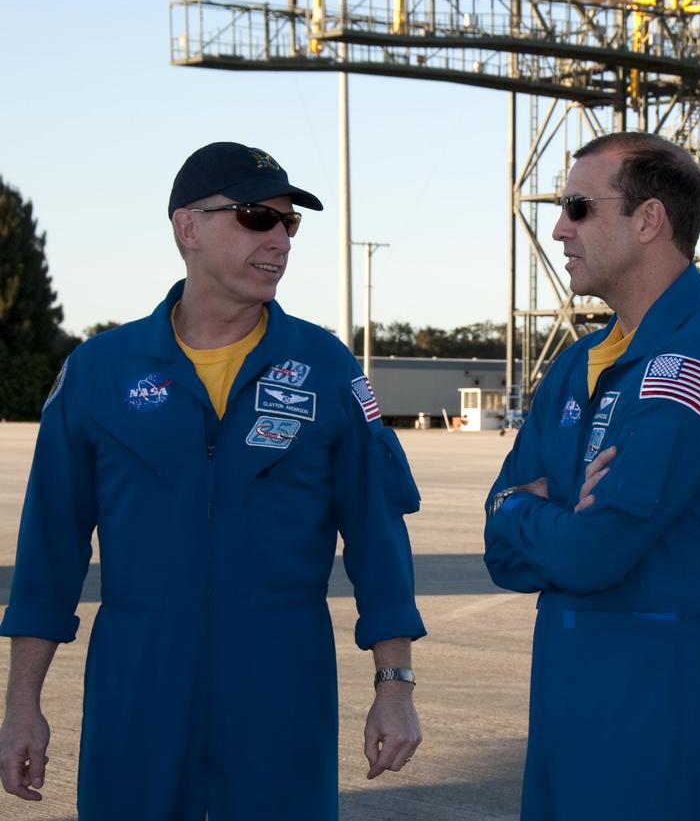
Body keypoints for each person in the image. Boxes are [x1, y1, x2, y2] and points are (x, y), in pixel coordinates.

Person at [0, 142, 427, 820]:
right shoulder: (98, 374)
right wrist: (22, 704)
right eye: (258, 217)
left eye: (291, 223)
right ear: (187, 227)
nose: (280, 239)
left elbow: (378, 538)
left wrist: (395, 683)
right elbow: (48, 552)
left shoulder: (325, 368)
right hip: (136, 687)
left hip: (281, 686)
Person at [483, 132, 700, 821]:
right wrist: (534, 515)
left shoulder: (695, 366)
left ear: (648, 221)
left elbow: (594, 551)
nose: (558, 227)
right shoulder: (581, 362)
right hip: (563, 706)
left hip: (653, 714)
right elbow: (497, 550)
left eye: (579, 207)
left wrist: (523, 512)